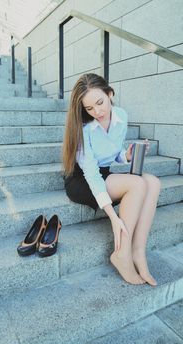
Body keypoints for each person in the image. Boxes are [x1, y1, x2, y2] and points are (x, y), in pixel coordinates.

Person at [62, 73, 161, 286]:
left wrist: (126, 155)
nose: (97, 112)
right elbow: (90, 172)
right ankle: (122, 254)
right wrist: (113, 217)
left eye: (100, 102)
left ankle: (138, 251)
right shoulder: (84, 128)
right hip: (81, 180)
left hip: (104, 172)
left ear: (110, 93)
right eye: (89, 108)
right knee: (137, 184)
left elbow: (113, 152)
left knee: (153, 182)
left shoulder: (121, 116)